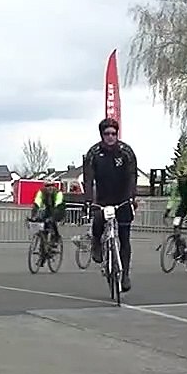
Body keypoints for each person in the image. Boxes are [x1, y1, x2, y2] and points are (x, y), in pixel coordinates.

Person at [82, 117, 138, 292]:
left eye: (114, 133)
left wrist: (131, 198)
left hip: (122, 198)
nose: (110, 137)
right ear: (102, 135)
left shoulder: (126, 152)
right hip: (103, 198)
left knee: (124, 237)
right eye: (107, 133)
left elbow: (132, 176)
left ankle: (125, 274)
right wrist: (89, 200)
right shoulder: (93, 153)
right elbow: (88, 178)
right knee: (98, 219)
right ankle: (97, 244)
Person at [164, 171, 187, 259]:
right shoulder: (176, 183)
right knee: (176, 225)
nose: (182, 180)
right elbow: (172, 198)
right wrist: (168, 210)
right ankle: (179, 247)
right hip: (184, 204)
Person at [30, 182, 66, 246]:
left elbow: (58, 204)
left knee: (52, 221)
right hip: (48, 210)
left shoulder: (58, 193)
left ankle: (55, 238)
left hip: (59, 210)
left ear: (54, 187)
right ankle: (44, 243)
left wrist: (52, 217)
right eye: (47, 186)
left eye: (52, 186)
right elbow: (37, 203)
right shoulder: (41, 192)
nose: (50, 188)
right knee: (42, 221)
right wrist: (33, 216)